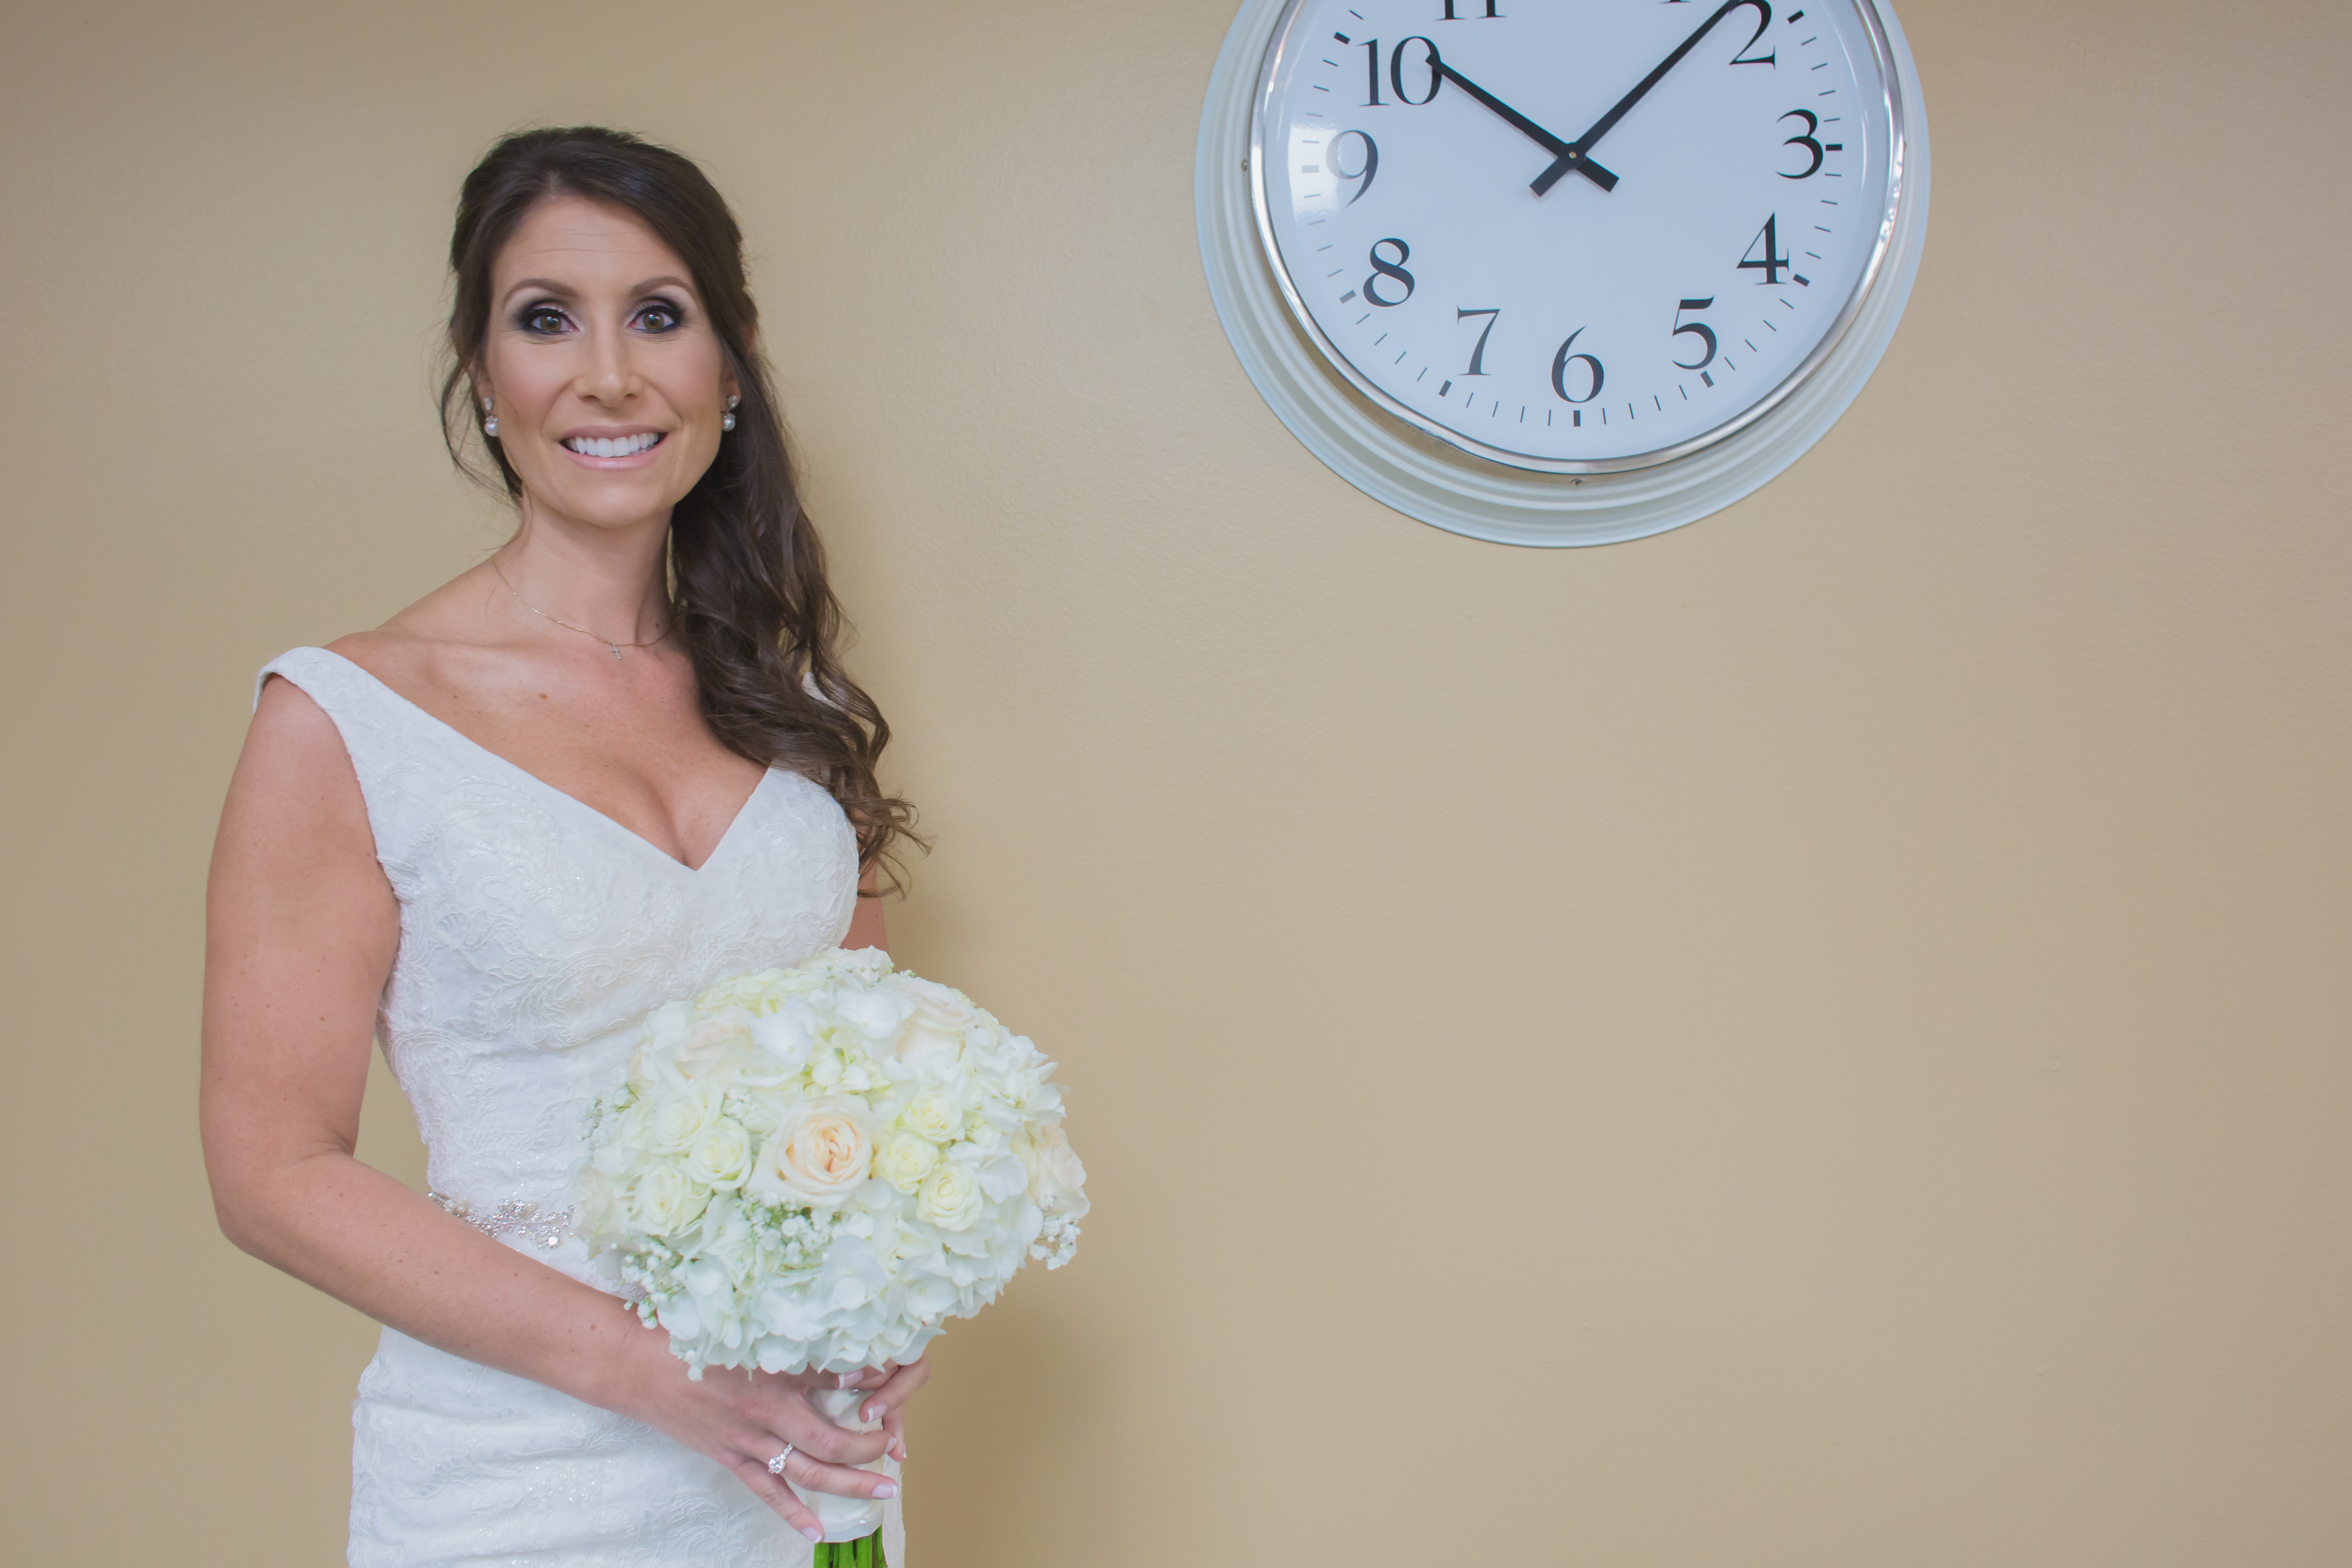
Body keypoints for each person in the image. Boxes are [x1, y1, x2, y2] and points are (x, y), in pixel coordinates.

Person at [200, 126, 928, 1565]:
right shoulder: (347, 717)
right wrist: (656, 1375)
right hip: (519, 1477)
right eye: (548, 320)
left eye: (660, 315)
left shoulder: (800, 714)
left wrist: (890, 1299)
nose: (610, 375)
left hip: (806, 1460)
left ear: (732, 360)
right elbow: (272, 1171)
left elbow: (871, 1079)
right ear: (484, 372)